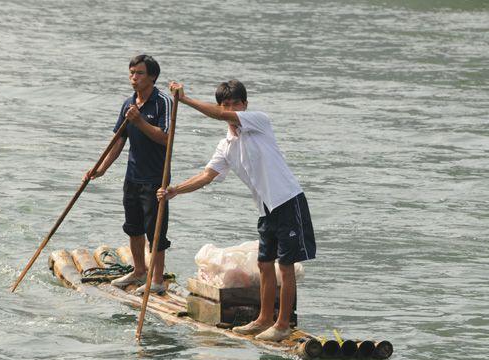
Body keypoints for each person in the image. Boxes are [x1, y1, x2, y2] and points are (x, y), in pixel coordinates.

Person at [158, 80, 316, 342]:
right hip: (266, 208)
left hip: (288, 200)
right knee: (264, 264)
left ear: (244, 105)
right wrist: (175, 190)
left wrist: (185, 101)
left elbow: (221, 115)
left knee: (286, 267)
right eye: (226, 104)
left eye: (235, 104)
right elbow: (207, 176)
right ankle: (264, 319)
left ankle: (283, 324)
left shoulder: (258, 122)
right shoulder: (226, 145)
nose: (230, 109)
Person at [84, 54, 172, 295]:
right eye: (131, 73)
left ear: (152, 77)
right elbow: (119, 140)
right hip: (132, 175)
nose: (134, 78)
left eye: (140, 73)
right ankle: (139, 270)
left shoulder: (162, 102)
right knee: (133, 227)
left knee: (155, 230)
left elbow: (166, 138)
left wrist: (140, 121)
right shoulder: (128, 103)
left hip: (156, 178)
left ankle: (156, 279)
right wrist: (100, 169)